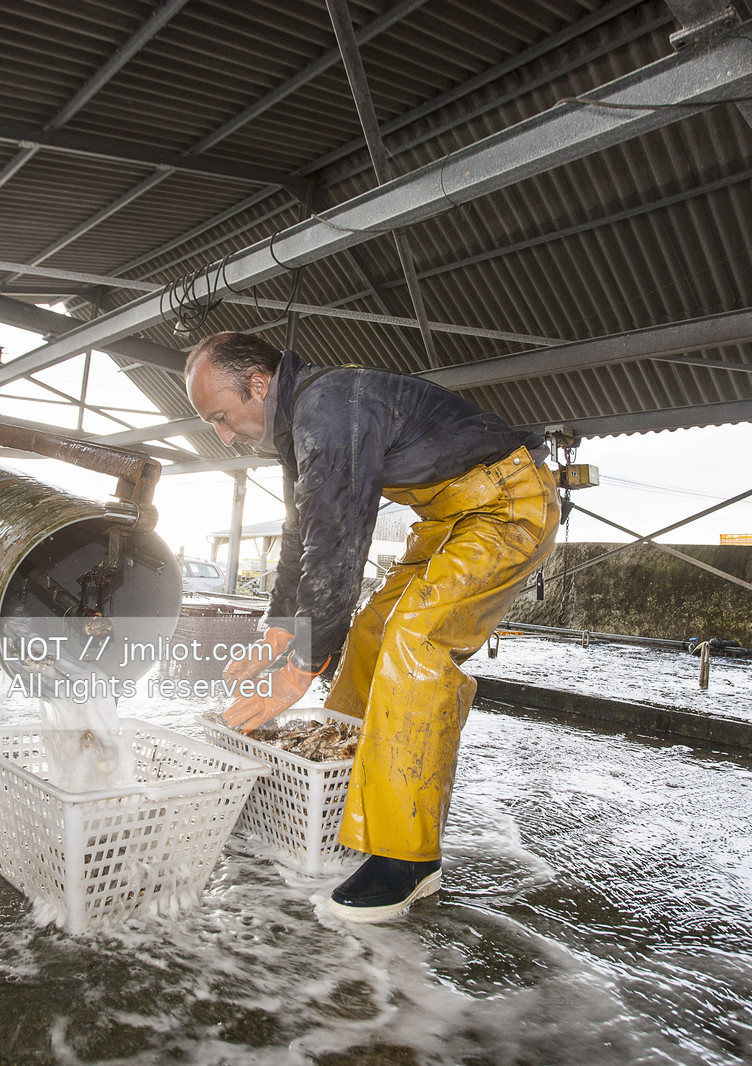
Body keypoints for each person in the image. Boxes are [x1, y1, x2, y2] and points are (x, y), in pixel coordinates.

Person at [184, 332, 560, 922]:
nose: (224, 435)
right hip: (449, 520)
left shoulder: (329, 408)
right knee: (368, 636)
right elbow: (299, 538)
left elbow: (338, 545)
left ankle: (407, 859)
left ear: (259, 385)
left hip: (507, 505)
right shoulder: (302, 427)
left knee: (415, 644)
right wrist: (277, 633)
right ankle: (345, 801)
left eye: (222, 418)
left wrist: (304, 666)